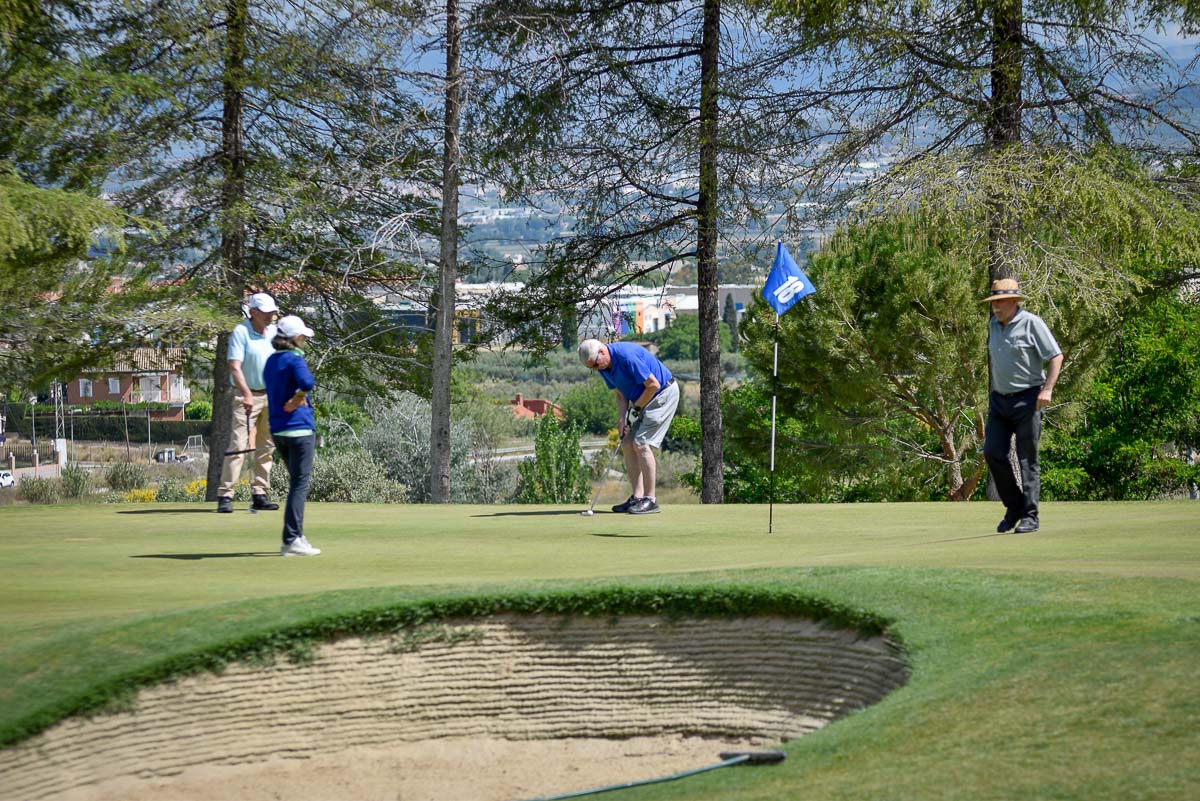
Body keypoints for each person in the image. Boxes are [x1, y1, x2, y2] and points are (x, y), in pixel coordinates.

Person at [981, 278, 1064, 534]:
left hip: (1028, 399)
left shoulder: (1031, 323)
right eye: (994, 302)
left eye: (1001, 301)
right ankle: (1014, 506)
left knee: (1027, 458)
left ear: (1015, 301)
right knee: (993, 453)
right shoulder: (993, 325)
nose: (997, 307)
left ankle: (1030, 516)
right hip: (999, 400)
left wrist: (1047, 389)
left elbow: (1055, 356)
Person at [578, 338, 680, 515]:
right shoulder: (603, 366)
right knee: (626, 442)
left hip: (662, 394)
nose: (595, 369)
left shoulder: (626, 356)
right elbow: (620, 393)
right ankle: (637, 497)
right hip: (642, 400)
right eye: (591, 368)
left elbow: (652, 385)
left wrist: (636, 409)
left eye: (595, 364)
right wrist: (622, 419)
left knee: (641, 444)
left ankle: (650, 500)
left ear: (602, 352)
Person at [217, 293, 280, 513]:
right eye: (266, 312)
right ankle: (225, 495)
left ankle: (260, 493)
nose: (270, 316)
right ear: (253, 313)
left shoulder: (273, 332)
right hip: (246, 397)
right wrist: (246, 394)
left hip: (270, 396)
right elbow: (235, 366)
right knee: (238, 446)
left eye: (272, 312)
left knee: (266, 447)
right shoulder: (241, 332)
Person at [264, 315, 321, 556]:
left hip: (278, 431)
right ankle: (291, 540)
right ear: (296, 338)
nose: (304, 341)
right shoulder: (294, 359)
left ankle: (296, 535)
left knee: (295, 484)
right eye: (303, 337)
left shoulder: (270, 361)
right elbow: (308, 382)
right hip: (299, 430)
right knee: (299, 485)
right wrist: (298, 398)